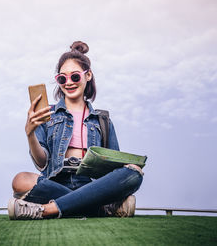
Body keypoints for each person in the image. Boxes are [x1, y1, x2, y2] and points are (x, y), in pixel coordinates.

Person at [8, 41, 144, 220]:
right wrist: (30, 133)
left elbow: (114, 168)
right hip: (55, 182)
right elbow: (42, 163)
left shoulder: (103, 120)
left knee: (133, 172)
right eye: (62, 79)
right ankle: (101, 208)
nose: (69, 83)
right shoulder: (47, 114)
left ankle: (46, 210)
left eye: (75, 76)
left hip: (92, 184)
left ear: (88, 75)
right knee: (20, 180)